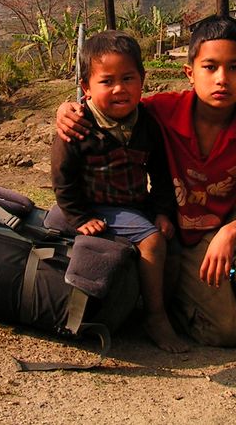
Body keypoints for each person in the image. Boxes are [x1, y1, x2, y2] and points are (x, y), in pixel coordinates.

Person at [57, 16, 236, 348]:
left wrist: (229, 232)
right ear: (190, 73)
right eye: (210, 67)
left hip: (222, 224)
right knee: (227, 334)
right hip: (182, 239)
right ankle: (213, 315)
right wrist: (68, 110)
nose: (222, 79)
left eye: (234, 68)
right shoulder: (161, 110)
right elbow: (111, 103)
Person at [50, 30, 188, 352]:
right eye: (106, 81)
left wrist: (163, 212)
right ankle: (155, 318)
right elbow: (62, 176)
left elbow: (161, 173)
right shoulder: (79, 125)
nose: (119, 89)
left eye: (128, 78)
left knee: (173, 243)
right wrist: (79, 216)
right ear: (85, 87)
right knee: (152, 242)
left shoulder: (147, 123)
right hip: (97, 207)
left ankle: (160, 308)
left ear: (143, 79)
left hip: (135, 205)